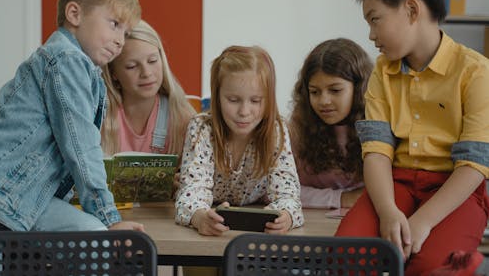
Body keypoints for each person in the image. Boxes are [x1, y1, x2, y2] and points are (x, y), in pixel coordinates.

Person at [334, 0, 489, 276]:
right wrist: (389, 212)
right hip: (395, 185)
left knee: (432, 265)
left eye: (375, 20)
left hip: (453, 190)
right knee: (347, 256)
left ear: (412, 10)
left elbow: (474, 165)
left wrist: (422, 223)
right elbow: (376, 152)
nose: (371, 35)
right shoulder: (382, 71)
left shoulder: (476, 72)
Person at [0, 0, 145, 232]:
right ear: (75, 14)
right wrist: (110, 218)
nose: (120, 41)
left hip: (26, 194)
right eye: (115, 24)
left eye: (126, 33)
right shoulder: (67, 60)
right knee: (98, 237)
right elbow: (81, 148)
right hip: (2, 191)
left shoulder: (78, 67)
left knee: (91, 233)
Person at [175, 45, 304, 236]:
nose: (244, 112)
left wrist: (287, 216)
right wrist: (199, 217)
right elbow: (192, 191)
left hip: (254, 232)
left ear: (268, 99)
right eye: (233, 100)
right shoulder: (202, 128)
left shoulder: (275, 131)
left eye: (255, 101)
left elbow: (288, 194)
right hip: (212, 223)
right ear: (217, 97)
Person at [289, 38, 373, 210]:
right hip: (311, 223)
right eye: (314, 92)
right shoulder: (297, 129)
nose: (324, 101)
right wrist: (340, 198)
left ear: (359, 88)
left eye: (335, 90)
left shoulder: (378, 126)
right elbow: (278, 190)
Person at [101, 19, 196, 157]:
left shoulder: (182, 118)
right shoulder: (100, 115)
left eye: (152, 61)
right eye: (132, 66)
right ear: (113, 73)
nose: (146, 73)